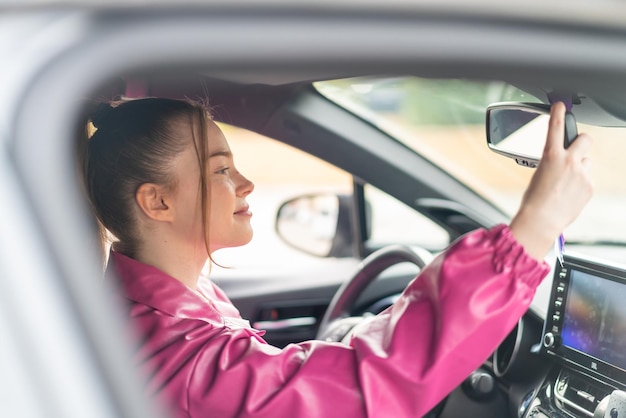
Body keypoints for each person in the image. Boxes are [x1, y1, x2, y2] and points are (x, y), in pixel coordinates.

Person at [80, 98, 593, 418]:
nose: (245, 184)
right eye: (219, 171)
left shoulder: (161, 311)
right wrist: (534, 227)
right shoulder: (183, 361)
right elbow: (366, 383)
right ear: (157, 201)